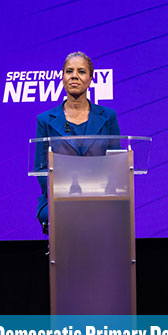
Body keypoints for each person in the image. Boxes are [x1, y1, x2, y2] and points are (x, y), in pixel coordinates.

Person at [34, 51, 120, 226]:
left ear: (90, 78)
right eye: (69, 71)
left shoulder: (108, 116)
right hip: (58, 197)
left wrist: (95, 191)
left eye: (81, 71)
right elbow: (41, 168)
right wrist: (62, 192)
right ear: (63, 77)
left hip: (100, 195)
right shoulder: (45, 120)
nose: (74, 76)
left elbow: (117, 161)